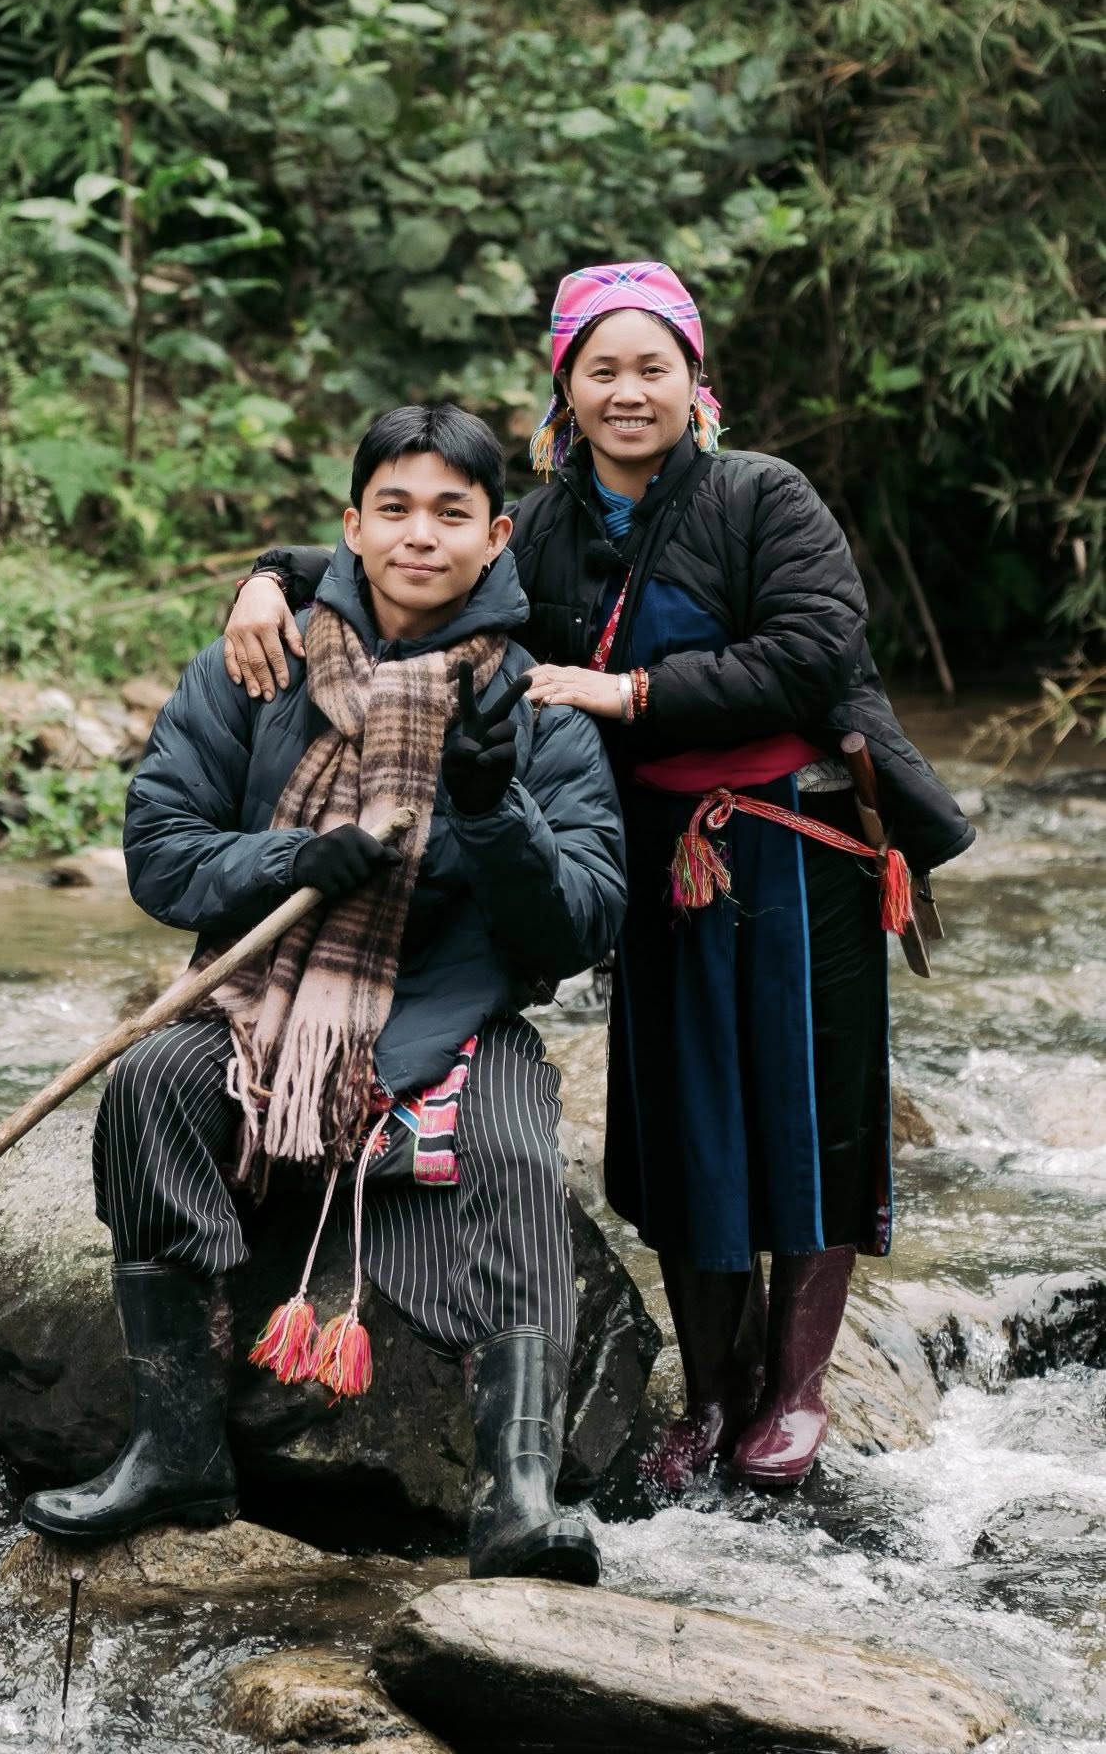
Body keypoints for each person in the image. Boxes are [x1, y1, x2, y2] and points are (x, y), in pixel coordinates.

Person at [223, 262, 973, 1492]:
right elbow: (415, 554)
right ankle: (714, 1391)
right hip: (654, 851)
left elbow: (811, 650)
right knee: (684, 1119)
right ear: (563, 389)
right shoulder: (544, 525)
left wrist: (629, 691)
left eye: (651, 367)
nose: (629, 392)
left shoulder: (761, 496)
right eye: (601, 369)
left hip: (800, 838)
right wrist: (273, 574)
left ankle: (794, 1387)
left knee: (809, 1104)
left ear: (692, 380)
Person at [24, 405, 626, 1583]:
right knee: (148, 1084)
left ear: (496, 535)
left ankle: (515, 1494)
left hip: (450, 1012)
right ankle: (176, 1448)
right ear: (351, 527)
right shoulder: (260, 661)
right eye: (393, 508)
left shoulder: (537, 701)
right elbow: (160, 850)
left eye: (450, 512)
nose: (419, 535)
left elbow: (583, 917)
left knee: (512, 1147)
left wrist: (493, 810)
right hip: (262, 1005)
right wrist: (288, 860)